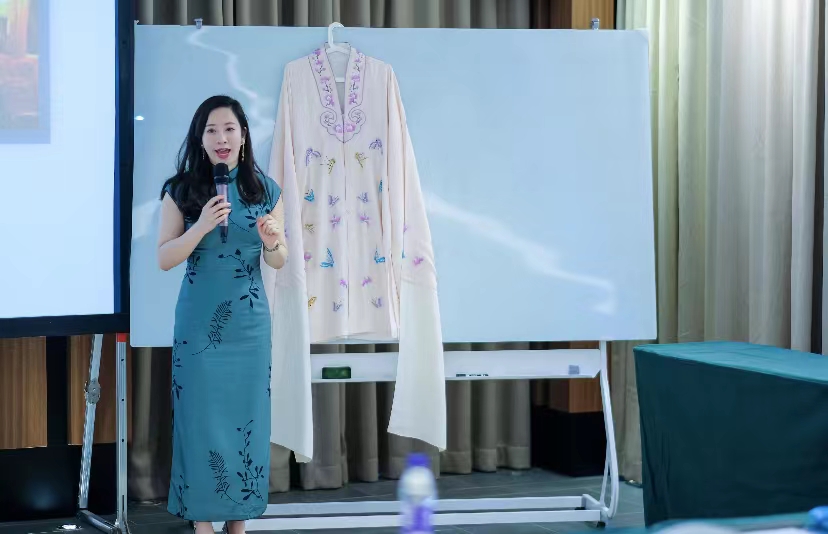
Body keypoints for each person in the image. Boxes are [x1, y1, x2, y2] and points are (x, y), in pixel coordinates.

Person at [157, 95, 287, 534]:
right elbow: (164, 258)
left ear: (244, 136)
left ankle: (239, 521)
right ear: (200, 139)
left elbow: (279, 260)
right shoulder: (181, 190)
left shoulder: (265, 190)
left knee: (245, 419)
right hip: (199, 327)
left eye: (229, 128)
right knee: (200, 420)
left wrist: (272, 241)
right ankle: (202, 522)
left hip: (249, 327)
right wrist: (200, 226)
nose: (221, 138)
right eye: (211, 130)